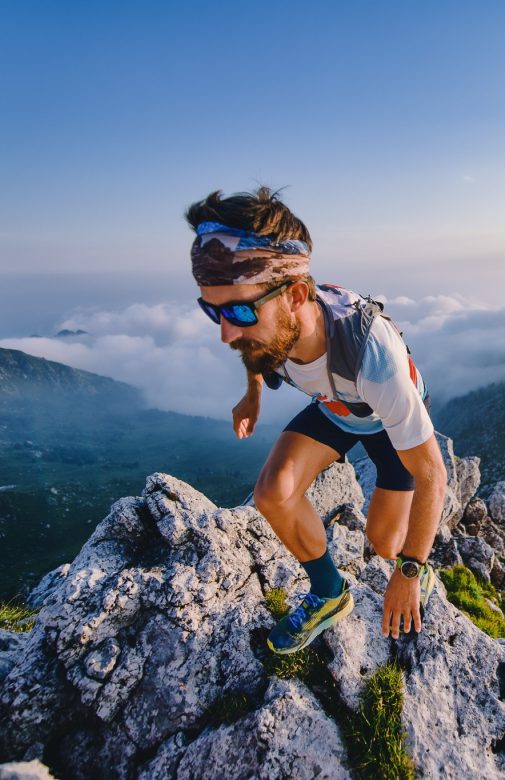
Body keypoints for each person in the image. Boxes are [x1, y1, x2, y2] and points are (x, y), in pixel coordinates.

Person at [186, 186, 447, 655]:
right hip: (337, 407)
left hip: (383, 418)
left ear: (297, 296)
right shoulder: (270, 328)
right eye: (213, 310)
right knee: (273, 493)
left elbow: (432, 473)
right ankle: (329, 594)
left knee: (386, 543)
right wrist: (251, 397)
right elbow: (253, 348)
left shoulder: (373, 359)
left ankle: (421, 568)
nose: (226, 332)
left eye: (240, 310)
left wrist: (408, 573)